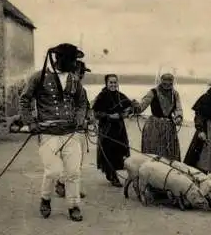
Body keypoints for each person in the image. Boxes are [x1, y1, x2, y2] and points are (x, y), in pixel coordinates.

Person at [19, 43, 88, 222]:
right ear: (60, 59)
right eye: (72, 60)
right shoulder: (39, 77)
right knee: (53, 172)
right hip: (47, 133)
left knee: (73, 172)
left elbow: (82, 103)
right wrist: (30, 122)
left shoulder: (74, 80)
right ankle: (45, 199)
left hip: (70, 133)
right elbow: (24, 100)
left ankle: (73, 205)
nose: (75, 64)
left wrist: (80, 119)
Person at [54, 60, 93, 199]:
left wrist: (89, 117)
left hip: (80, 130)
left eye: (82, 73)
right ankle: (63, 185)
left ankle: (66, 185)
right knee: (73, 161)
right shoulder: (66, 90)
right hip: (70, 131)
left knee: (78, 161)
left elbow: (86, 107)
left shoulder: (82, 89)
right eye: (80, 72)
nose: (82, 75)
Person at [92, 74, 133, 187]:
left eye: (115, 82)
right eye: (111, 82)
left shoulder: (121, 96)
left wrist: (128, 111)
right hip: (106, 129)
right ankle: (112, 175)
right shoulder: (101, 96)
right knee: (108, 151)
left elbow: (130, 106)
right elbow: (96, 113)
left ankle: (113, 173)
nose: (113, 85)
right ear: (106, 83)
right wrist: (109, 116)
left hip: (119, 129)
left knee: (120, 150)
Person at [132, 73, 183, 161]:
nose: (167, 85)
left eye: (169, 83)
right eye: (165, 82)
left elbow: (178, 108)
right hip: (153, 127)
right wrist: (136, 106)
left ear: (172, 83)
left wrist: (179, 117)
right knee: (153, 154)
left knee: (170, 155)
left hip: (169, 128)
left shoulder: (175, 94)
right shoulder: (152, 92)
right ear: (161, 81)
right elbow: (141, 107)